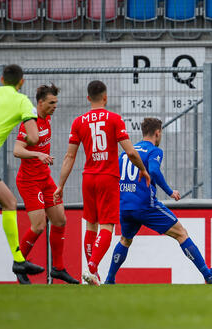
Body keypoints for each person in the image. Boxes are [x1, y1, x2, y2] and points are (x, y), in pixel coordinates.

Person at [104, 118, 212, 284]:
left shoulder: (125, 153)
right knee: (181, 233)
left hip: (125, 206)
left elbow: (116, 177)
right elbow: (153, 170)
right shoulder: (154, 151)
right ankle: (207, 274)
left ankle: (109, 279)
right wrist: (170, 191)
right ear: (157, 133)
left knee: (125, 240)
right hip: (146, 205)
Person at [54, 80, 151, 286]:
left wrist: (60, 185)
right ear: (105, 97)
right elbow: (131, 152)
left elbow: (69, 157)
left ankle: (92, 272)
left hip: (88, 177)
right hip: (108, 178)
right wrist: (143, 170)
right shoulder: (114, 119)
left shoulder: (79, 122)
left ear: (88, 98)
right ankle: (92, 268)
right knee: (107, 225)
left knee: (91, 224)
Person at [13, 84, 78, 284]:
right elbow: (17, 150)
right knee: (39, 225)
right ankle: (19, 263)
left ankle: (58, 269)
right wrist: (38, 154)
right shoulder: (29, 123)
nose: (55, 106)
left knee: (60, 220)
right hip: (29, 182)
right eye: (51, 103)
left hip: (44, 179)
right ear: (40, 103)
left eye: (56, 103)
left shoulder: (47, 118)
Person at [0, 64, 45, 282]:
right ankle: (18, 260)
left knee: (9, 202)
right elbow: (34, 138)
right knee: (9, 204)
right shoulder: (22, 101)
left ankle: (19, 260)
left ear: (1, 79)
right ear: (22, 82)